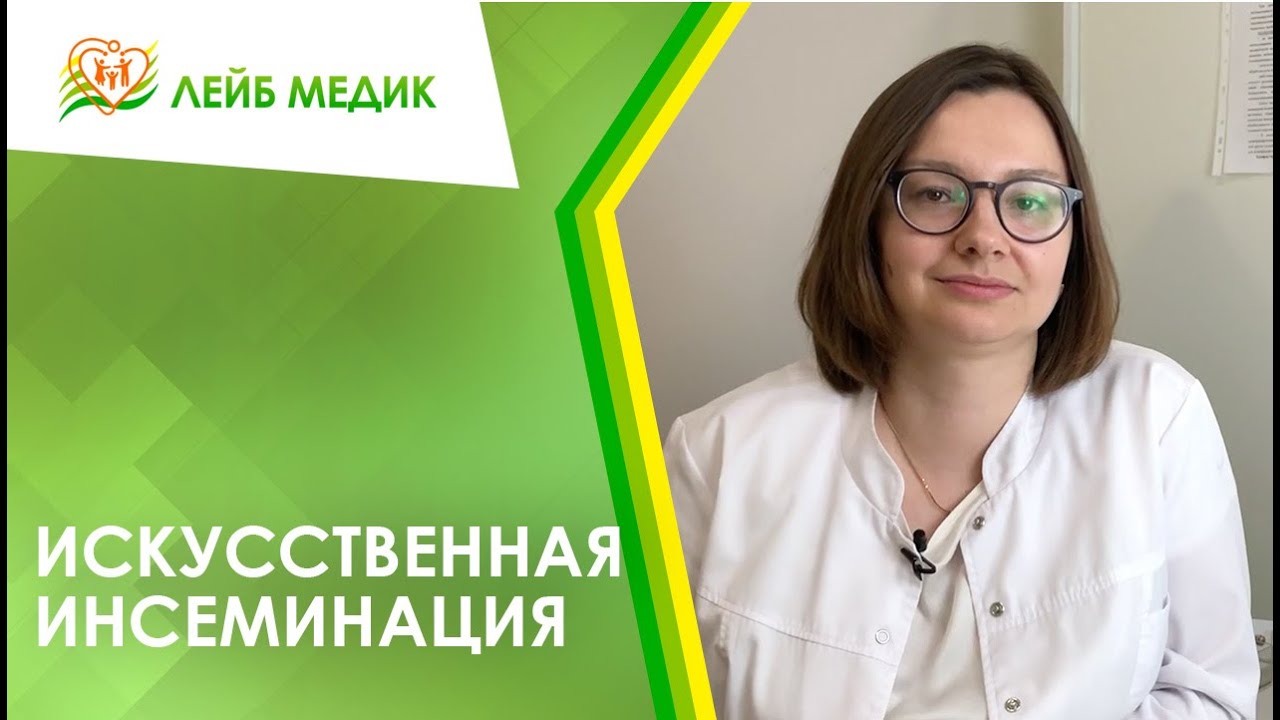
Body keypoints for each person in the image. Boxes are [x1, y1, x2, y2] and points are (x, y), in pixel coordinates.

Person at [664, 43, 1260, 719]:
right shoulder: (716, 453)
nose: (984, 237)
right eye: (936, 193)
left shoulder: (1156, 415)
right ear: (868, 223)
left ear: (1072, 242)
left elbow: (1211, 699)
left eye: (1029, 200)